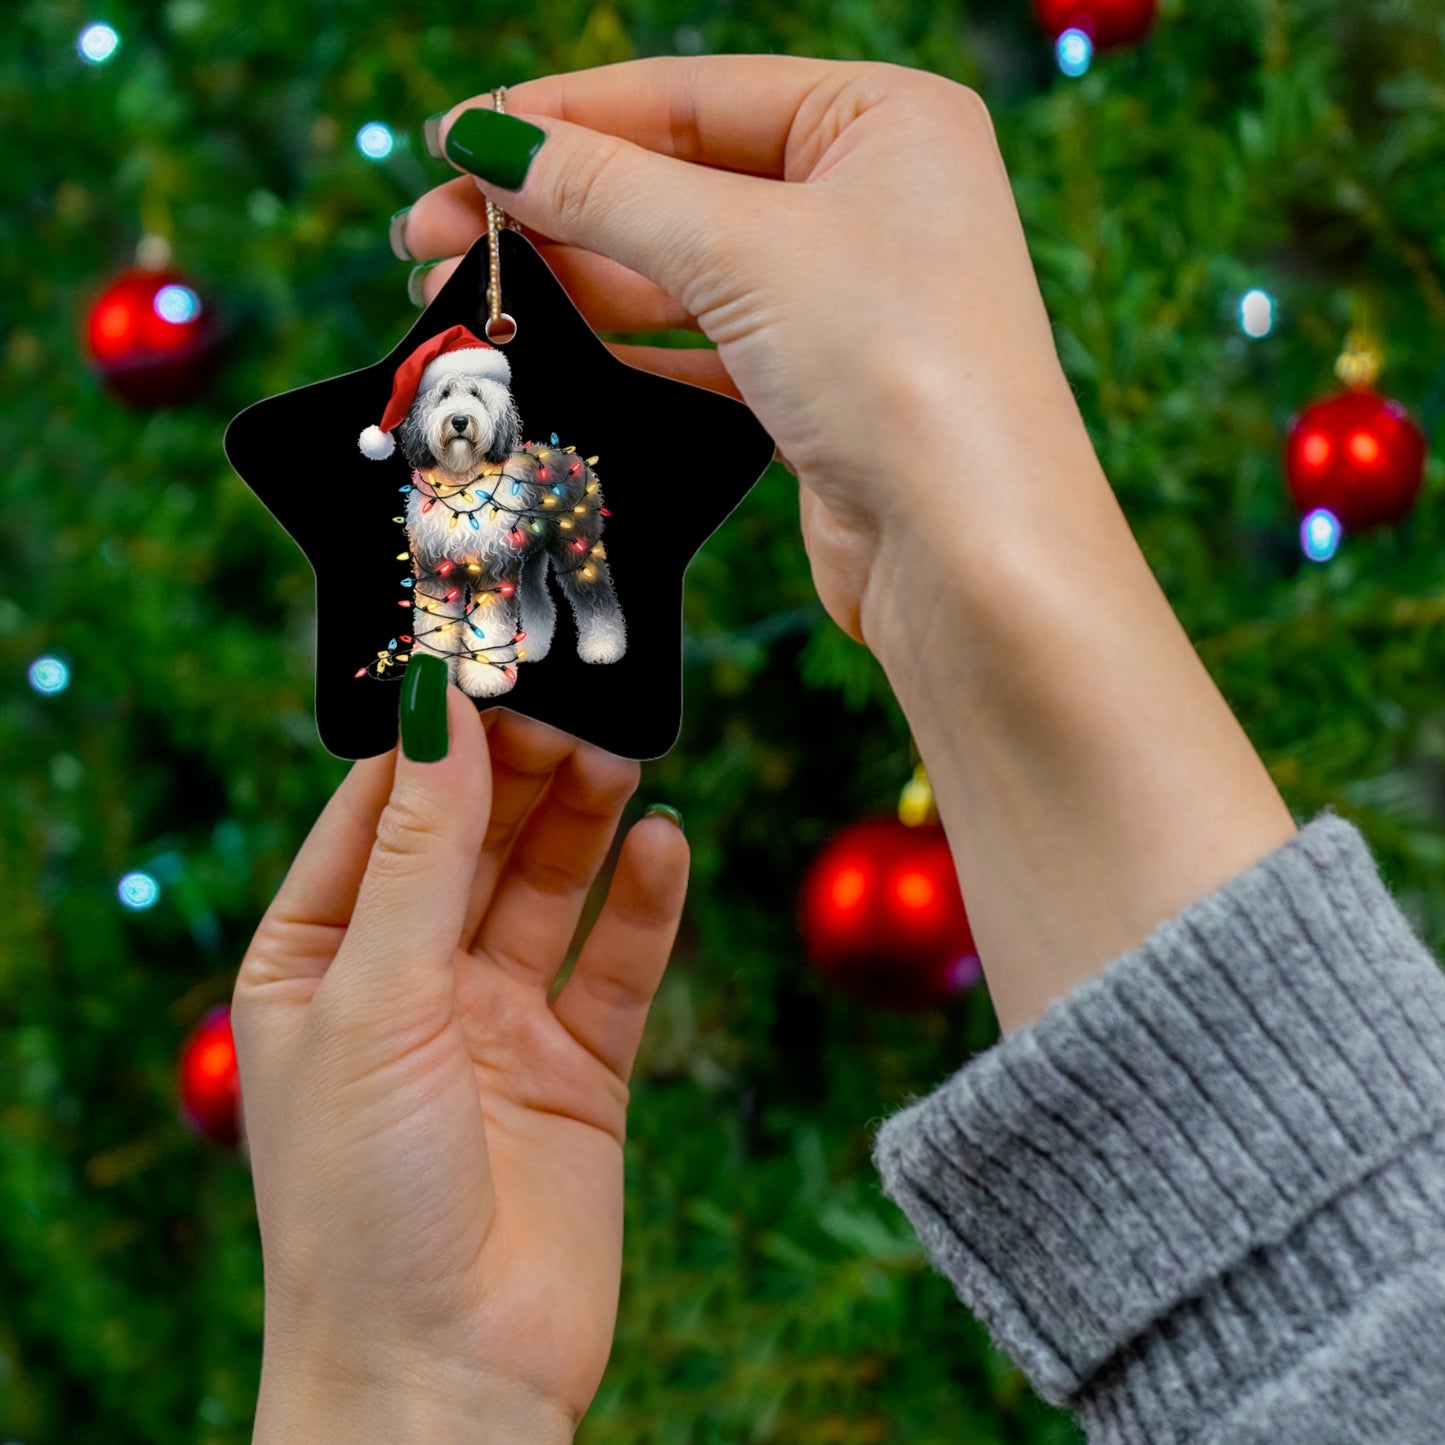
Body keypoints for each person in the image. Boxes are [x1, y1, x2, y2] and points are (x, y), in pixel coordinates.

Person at [234, 56, 1445, 1445]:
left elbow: (1363, 1332)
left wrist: (393, 1389)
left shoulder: (561, 479)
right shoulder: (428, 460)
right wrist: (414, 1384)